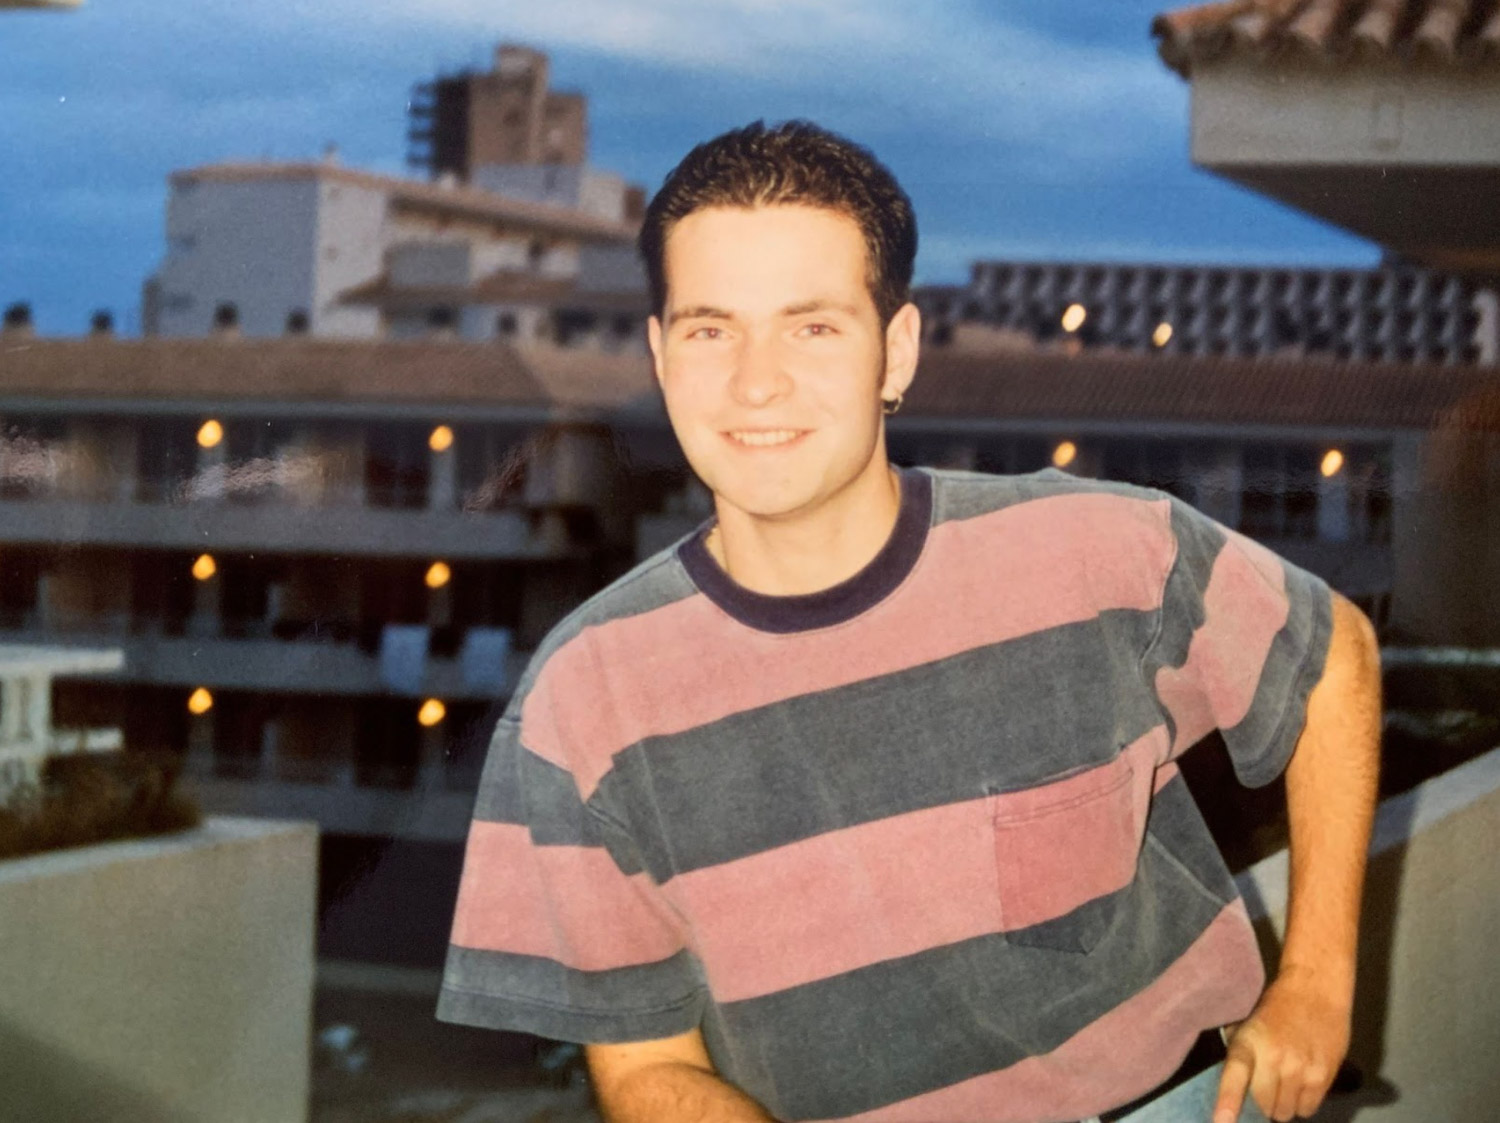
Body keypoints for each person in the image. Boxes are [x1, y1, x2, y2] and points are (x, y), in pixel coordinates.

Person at [436, 120, 1381, 1123]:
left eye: (813, 326)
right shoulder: (582, 698)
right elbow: (644, 1070)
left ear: (896, 352)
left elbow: (1335, 659)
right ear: (663, 357)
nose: (756, 382)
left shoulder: (1094, 551)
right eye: (713, 329)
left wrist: (1316, 988)